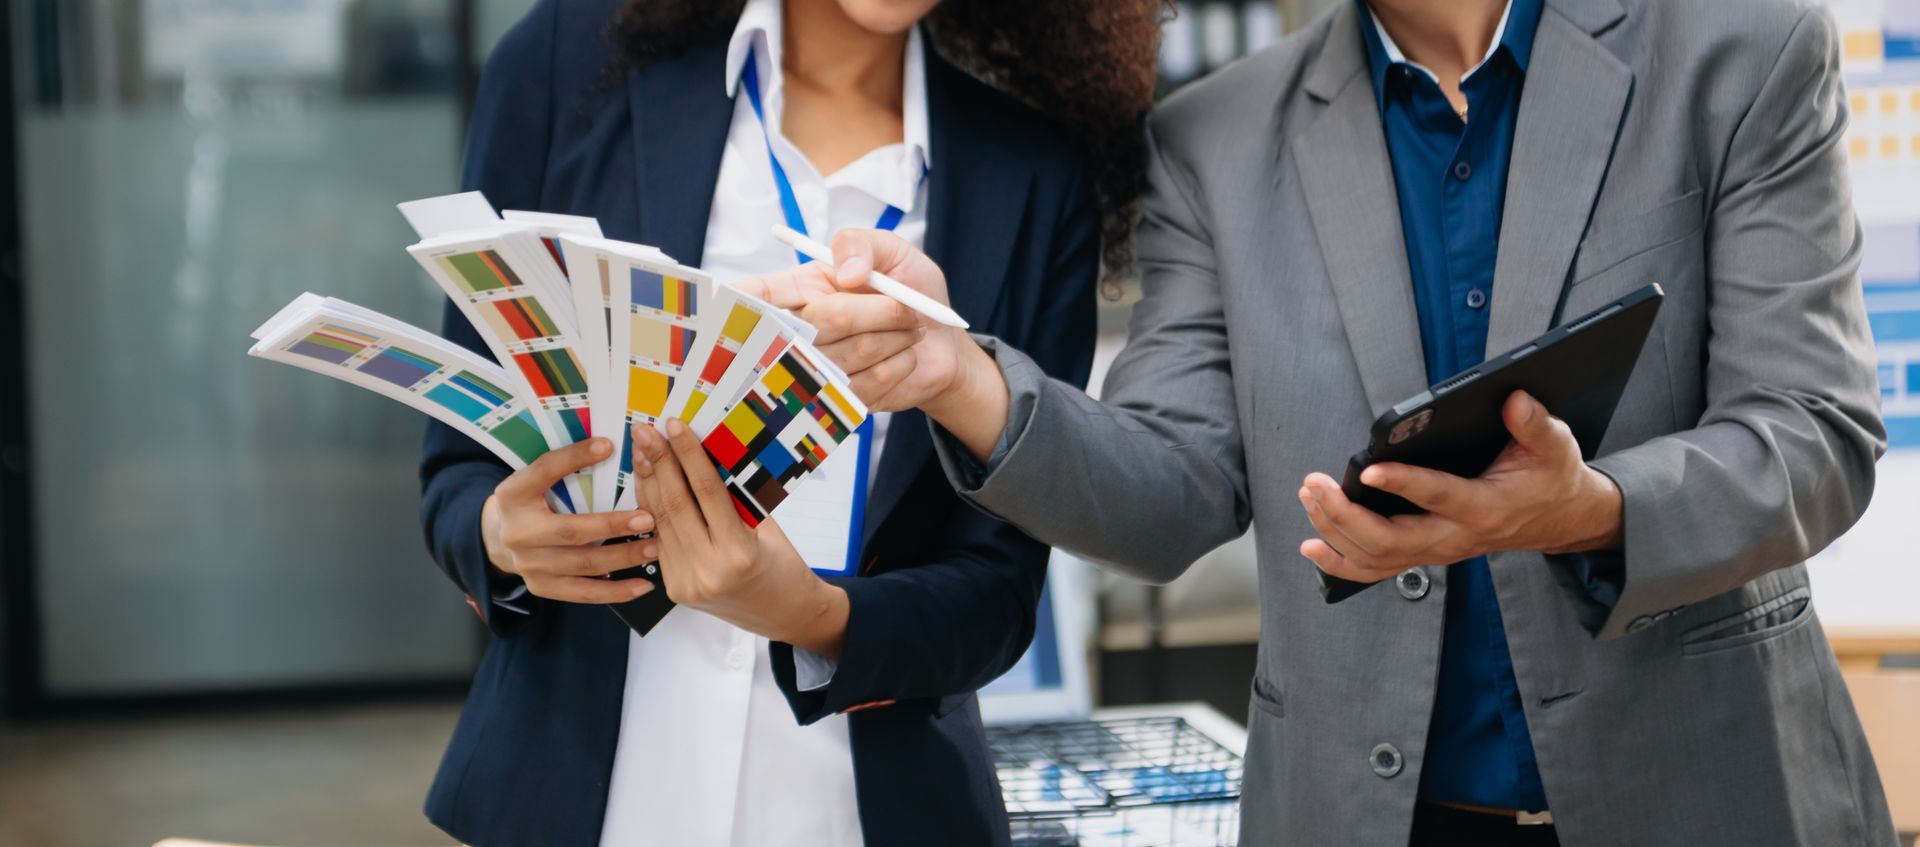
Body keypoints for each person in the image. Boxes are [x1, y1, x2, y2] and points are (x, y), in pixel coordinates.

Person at [738, 0, 1900, 844]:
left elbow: (1813, 431)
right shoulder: (1215, 138)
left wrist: (1591, 510)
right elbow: (1172, 490)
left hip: (1704, 794)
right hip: (1363, 812)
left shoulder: (1739, 54)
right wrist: (958, 373)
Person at [414, 0, 1162, 844]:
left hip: (858, 808)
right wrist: (500, 537)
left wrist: (808, 614)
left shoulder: (1029, 173)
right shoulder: (563, 63)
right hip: (578, 791)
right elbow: (456, 467)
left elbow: (996, 593)